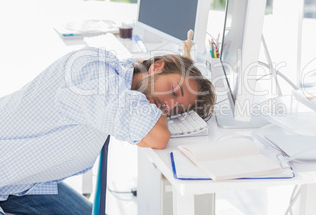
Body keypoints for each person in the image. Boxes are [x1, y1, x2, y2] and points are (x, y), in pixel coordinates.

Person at [0, 47, 216, 214]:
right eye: (173, 90)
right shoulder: (95, 75)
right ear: (157, 66)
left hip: (21, 184)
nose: (167, 105)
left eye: (176, 109)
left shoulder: (122, 85)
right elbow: (156, 136)